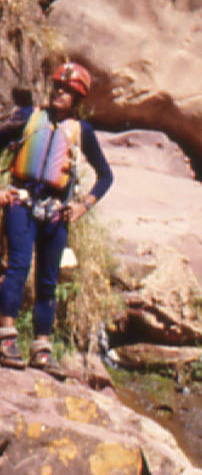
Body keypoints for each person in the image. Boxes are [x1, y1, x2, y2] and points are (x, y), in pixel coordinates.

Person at [0, 60, 112, 369]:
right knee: (17, 268)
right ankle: (6, 338)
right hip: (21, 202)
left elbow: (106, 176)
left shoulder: (82, 131)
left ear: (77, 98)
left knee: (48, 281)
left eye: (67, 90)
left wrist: (83, 206)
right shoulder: (27, 117)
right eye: (57, 87)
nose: (59, 92)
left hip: (56, 213)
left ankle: (41, 348)